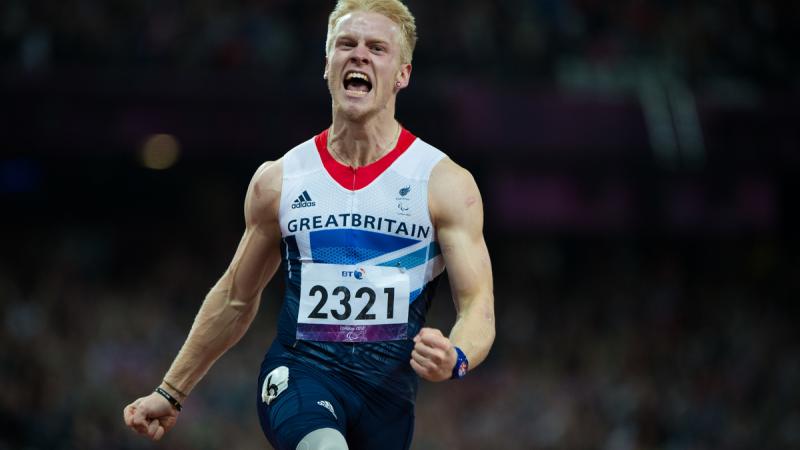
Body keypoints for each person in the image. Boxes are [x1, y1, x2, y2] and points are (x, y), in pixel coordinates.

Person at [123, 1, 495, 449]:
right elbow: (235, 298)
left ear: (402, 74)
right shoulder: (280, 179)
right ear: (327, 64)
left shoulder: (444, 184)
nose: (359, 55)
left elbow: (478, 307)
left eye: (377, 48)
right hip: (299, 376)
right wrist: (172, 391)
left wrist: (455, 357)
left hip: (387, 402)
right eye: (346, 44)